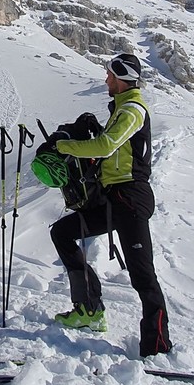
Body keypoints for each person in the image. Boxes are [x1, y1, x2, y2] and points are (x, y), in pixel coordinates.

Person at [48, 52, 172, 357]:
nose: (106, 80)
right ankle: (89, 309)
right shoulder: (120, 110)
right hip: (112, 200)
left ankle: (157, 344)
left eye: (110, 76)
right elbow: (109, 147)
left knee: (142, 274)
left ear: (123, 78)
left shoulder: (132, 110)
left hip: (130, 199)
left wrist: (64, 146)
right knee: (62, 233)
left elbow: (106, 147)